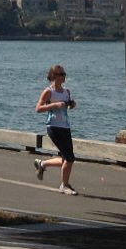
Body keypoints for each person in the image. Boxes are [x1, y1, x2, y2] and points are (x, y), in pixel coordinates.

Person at [34, 64, 77, 194]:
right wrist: (54, 105)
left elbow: (67, 106)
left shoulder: (66, 91)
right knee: (69, 158)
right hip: (53, 126)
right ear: (53, 76)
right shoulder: (49, 91)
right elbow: (38, 108)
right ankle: (64, 185)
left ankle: (42, 164)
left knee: (67, 158)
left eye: (64, 74)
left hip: (65, 126)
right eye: (61, 74)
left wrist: (71, 105)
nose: (64, 76)